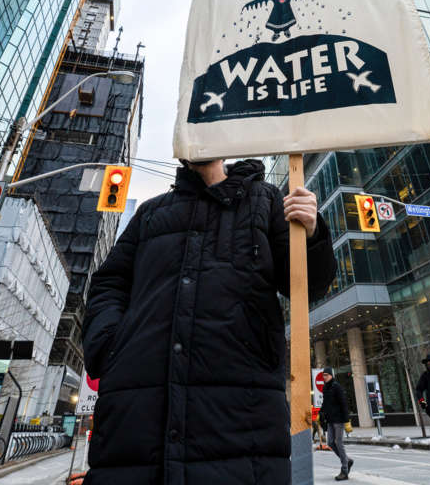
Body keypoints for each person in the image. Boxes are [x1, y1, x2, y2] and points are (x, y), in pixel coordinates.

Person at [82, 159, 336, 484]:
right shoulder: (149, 214)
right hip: (135, 426)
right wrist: (110, 345)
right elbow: (108, 283)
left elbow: (307, 286)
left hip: (243, 425)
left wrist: (312, 234)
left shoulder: (267, 200)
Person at [317, 369, 354, 480]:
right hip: (330, 420)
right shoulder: (325, 388)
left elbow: (343, 404)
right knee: (330, 443)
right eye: (323, 375)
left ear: (331, 375)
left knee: (338, 442)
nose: (324, 377)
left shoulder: (336, 387)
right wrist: (320, 413)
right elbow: (325, 403)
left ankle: (344, 471)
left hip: (339, 419)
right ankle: (347, 460)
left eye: (326, 375)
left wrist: (347, 421)